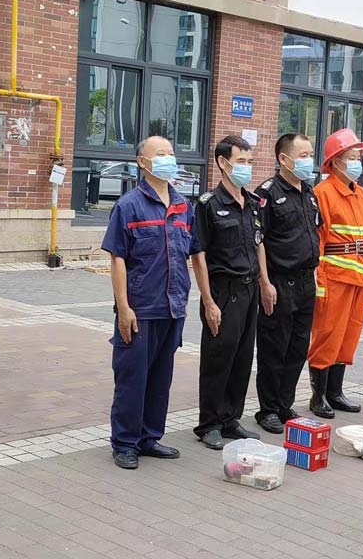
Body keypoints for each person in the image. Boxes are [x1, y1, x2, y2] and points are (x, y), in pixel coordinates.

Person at [101, 136, 202, 470]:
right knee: (132, 380)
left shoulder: (183, 205)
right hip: (140, 308)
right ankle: (125, 443)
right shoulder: (128, 206)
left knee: (160, 379)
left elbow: (190, 253)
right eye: (160, 154)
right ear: (142, 162)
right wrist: (123, 308)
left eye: (171, 153)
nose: (168, 159)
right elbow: (117, 259)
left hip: (172, 307)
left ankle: (149, 438)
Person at [192, 135, 263, 450]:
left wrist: (265, 283)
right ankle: (209, 424)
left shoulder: (252, 202)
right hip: (223, 292)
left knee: (242, 358)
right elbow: (199, 256)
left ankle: (230, 418)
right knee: (218, 359)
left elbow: (259, 244)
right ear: (223, 163)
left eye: (250, 162)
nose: (247, 167)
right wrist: (208, 301)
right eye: (241, 161)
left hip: (249, 291)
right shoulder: (209, 204)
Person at [253, 133, 321, 434]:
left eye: (311, 154)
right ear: (284, 158)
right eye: (303, 155)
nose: (309, 161)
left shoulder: (309, 192)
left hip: (306, 283)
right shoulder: (267, 193)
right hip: (279, 282)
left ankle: (284, 404)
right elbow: (258, 241)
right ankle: (268, 409)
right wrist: (264, 283)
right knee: (274, 348)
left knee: (297, 348)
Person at [307, 129, 363, 419]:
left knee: (348, 336)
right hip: (335, 279)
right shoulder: (323, 193)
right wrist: (320, 282)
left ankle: (335, 392)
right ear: (335, 162)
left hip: (360, 278)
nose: (358, 163)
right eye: (352, 157)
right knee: (328, 336)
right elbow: (318, 243)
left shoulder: (361, 194)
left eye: (359, 157)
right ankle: (318, 396)